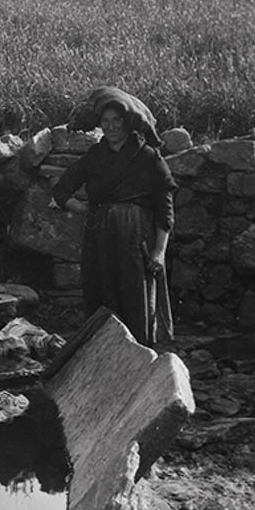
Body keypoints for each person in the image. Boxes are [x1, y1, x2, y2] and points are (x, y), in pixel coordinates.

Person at [50, 91, 177, 346]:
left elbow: (164, 206)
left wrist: (159, 251)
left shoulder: (148, 157)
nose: (111, 126)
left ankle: (139, 354)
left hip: (134, 237)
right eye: (105, 121)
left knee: (134, 295)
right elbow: (62, 189)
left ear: (127, 122)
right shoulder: (94, 157)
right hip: (100, 236)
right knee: (101, 292)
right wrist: (81, 207)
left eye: (116, 120)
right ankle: (105, 351)